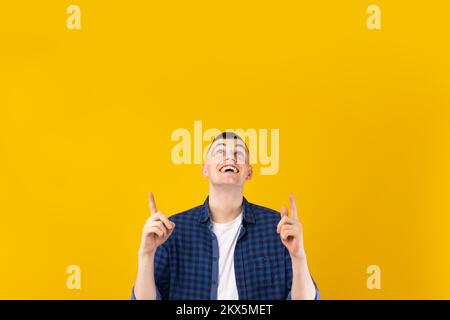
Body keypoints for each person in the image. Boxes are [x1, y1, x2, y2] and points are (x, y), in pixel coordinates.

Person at [132, 132, 319, 300]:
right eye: (220, 152)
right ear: (205, 169)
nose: (230, 156)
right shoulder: (172, 230)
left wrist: (298, 256)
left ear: (249, 172)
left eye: (238, 153)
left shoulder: (278, 228)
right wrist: (146, 255)